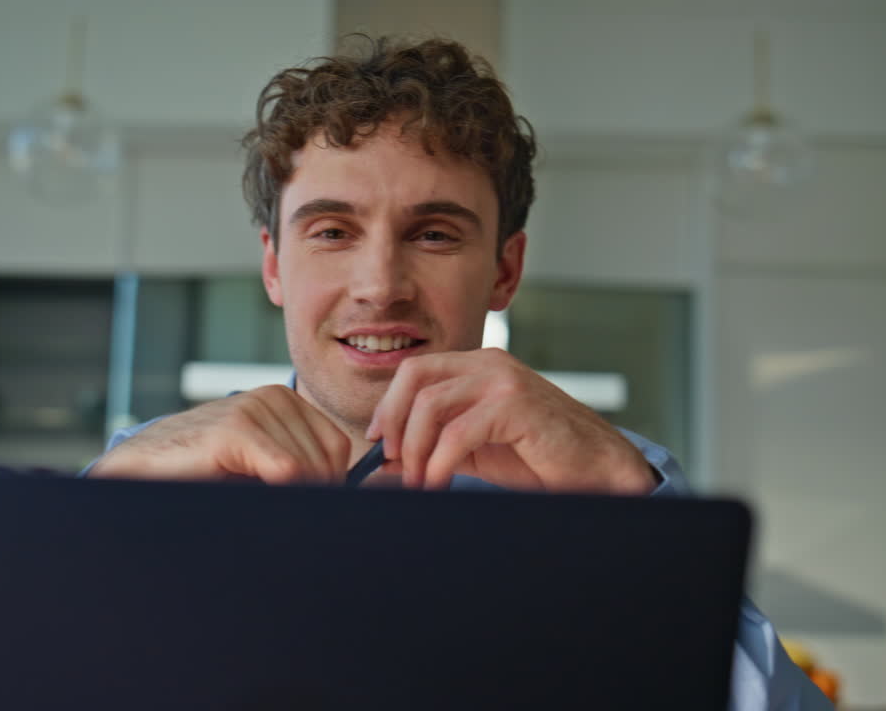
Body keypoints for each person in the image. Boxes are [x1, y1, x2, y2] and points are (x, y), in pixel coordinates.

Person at [86, 36, 831, 709]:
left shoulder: (618, 489)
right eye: (332, 232)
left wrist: (624, 499)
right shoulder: (151, 477)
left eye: (434, 233)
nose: (380, 285)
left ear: (505, 271)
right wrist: (94, 523)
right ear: (275, 265)